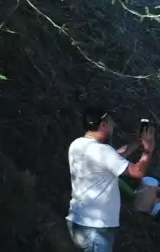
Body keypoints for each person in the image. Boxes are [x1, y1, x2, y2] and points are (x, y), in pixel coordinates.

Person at [66, 106, 155, 252]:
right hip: (96, 228)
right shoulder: (102, 151)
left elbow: (114, 158)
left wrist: (138, 142)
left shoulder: (77, 145)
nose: (113, 125)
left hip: (78, 223)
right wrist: (148, 150)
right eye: (110, 122)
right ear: (103, 125)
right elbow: (136, 172)